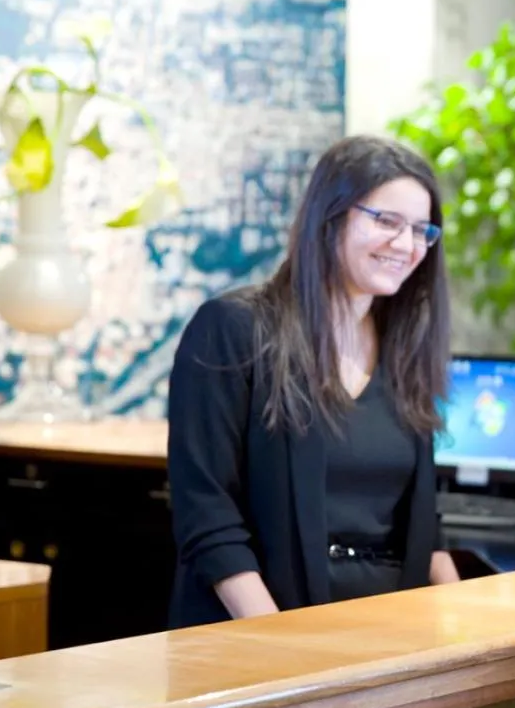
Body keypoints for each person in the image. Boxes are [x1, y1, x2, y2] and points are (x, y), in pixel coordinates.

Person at [166, 134, 460, 628]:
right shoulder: (234, 329)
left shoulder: (406, 346)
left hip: (389, 635)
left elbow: (422, 528)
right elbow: (207, 515)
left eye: (421, 230)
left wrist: (463, 623)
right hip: (262, 634)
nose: (406, 245)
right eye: (386, 221)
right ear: (331, 216)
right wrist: (280, 643)